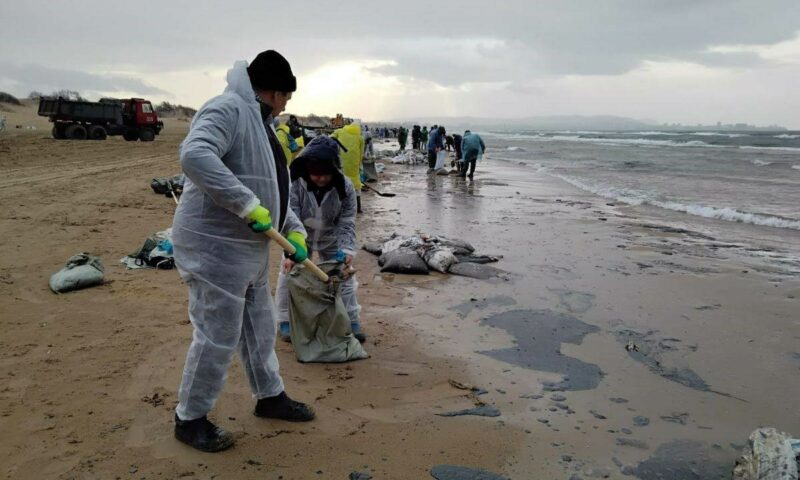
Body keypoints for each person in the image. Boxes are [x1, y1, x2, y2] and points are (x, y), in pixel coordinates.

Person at [171, 49, 315, 453]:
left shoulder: (263, 126)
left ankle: (270, 396)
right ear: (272, 91)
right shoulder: (227, 109)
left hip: (249, 252)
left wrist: (295, 231)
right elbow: (194, 155)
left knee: (259, 327)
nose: (287, 105)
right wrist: (245, 205)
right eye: (286, 96)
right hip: (213, 249)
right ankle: (190, 417)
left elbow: (271, 186)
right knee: (216, 334)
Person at [275, 136, 365, 343]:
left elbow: (347, 221)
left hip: (331, 237)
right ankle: (284, 320)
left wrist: (347, 249)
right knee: (288, 274)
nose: (321, 180)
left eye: (326, 175)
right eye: (316, 175)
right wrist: (291, 251)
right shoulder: (295, 184)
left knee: (346, 278)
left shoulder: (346, 188)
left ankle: (352, 319)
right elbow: (291, 215)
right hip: (299, 235)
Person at [331, 122, 365, 213]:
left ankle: (341, 207)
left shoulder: (340, 131)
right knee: (356, 185)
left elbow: (330, 138)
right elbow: (362, 153)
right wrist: (359, 165)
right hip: (354, 165)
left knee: (342, 183)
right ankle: (358, 208)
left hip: (342, 162)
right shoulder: (360, 138)